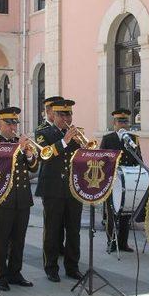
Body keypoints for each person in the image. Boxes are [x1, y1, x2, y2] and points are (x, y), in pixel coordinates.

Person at [35, 99, 83, 282]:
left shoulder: (77, 135)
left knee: (73, 230)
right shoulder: (43, 133)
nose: (66, 118)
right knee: (52, 229)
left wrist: (84, 147)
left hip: (73, 188)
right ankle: (51, 267)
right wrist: (64, 141)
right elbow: (44, 155)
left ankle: (72, 267)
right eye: (62, 115)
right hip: (52, 188)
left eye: (69, 114)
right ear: (53, 115)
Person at [0, 107, 39, 291]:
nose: (13, 127)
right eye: (9, 123)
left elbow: (33, 168)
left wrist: (28, 153)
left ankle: (15, 272)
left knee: (19, 238)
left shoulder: (19, 143)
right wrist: (18, 148)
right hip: (3, 198)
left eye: (15, 123)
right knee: (2, 238)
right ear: (0, 124)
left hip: (22, 197)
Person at [99, 109, 142, 253]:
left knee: (126, 213)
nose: (123, 124)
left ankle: (123, 243)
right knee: (111, 213)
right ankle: (111, 242)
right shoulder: (108, 138)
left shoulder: (133, 139)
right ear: (114, 123)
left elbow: (139, 159)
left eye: (125, 122)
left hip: (128, 181)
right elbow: (101, 161)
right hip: (113, 181)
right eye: (120, 121)